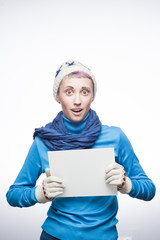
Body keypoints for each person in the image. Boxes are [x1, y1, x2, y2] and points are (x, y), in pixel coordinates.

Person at [6, 60, 156, 240]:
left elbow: (149, 189)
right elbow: (13, 194)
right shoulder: (43, 142)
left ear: (92, 96)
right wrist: (39, 193)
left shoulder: (115, 137)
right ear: (58, 96)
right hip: (54, 236)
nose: (77, 101)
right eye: (69, 92)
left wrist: (127, 184)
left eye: (85, 92)